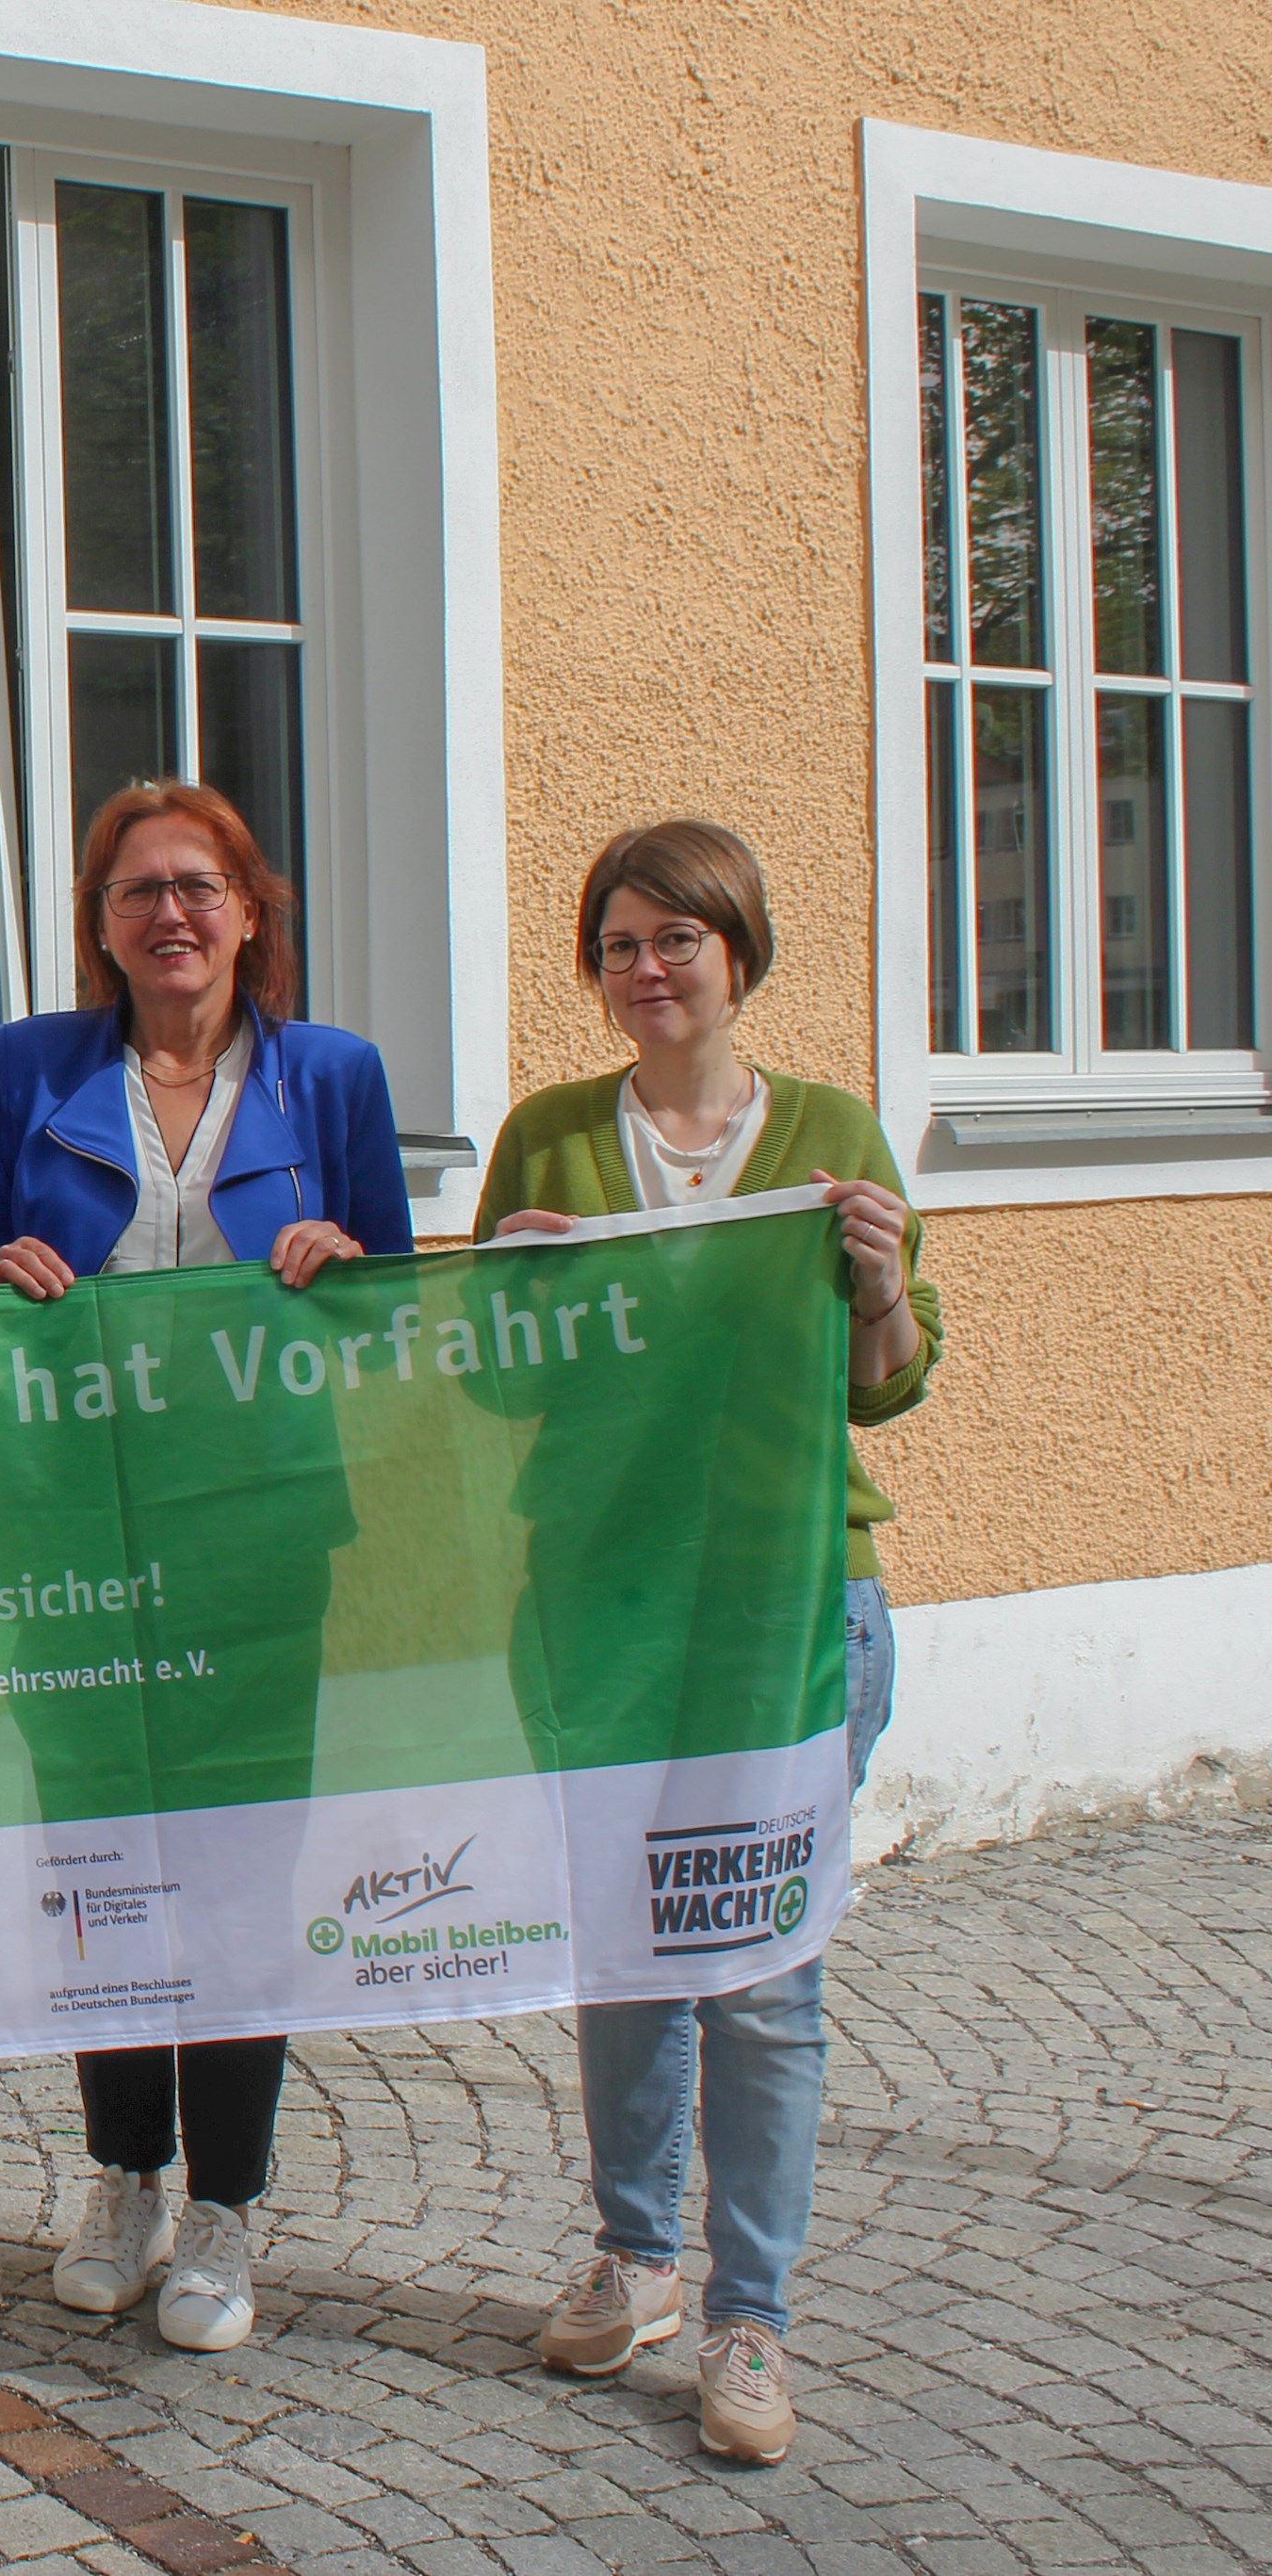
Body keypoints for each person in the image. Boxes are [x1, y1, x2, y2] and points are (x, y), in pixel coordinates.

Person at [480, 818, 938, 2467]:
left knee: (758, 1967)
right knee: (623, 1949)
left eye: (677, 936)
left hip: (791, 1598)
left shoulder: (824, 1132)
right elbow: (493, 1387)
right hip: (603, 1600)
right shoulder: (545, 1135)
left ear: (737, 949)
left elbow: (884, 1377)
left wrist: (878, 1277)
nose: (647, 967)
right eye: (617, 942)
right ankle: (633, 2253)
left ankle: (753, 2312)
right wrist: (501, 1294)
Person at [0, 777, 410, 2358]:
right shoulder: (34, 1065)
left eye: (199, 885)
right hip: (68, 1523)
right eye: (139, 888)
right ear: (100, 922)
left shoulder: (333, 1077)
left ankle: (226, 2201)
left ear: (247, 908)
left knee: (232, 1864)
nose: (171, 913)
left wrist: (345, 1272)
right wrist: (0, 1267)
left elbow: (396, 1310)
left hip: (254, 1529)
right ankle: (124, 2178)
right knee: (103, 1864)